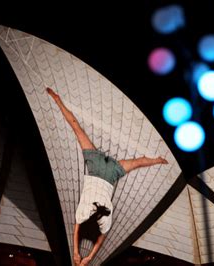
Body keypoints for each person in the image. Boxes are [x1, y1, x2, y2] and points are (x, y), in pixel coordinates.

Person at [46, 88, 168, 266]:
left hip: (111, 174)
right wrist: (77, 253)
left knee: (139, 162)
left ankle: (157, 160)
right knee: (77, 128)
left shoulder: (105, 222)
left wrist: (89, 257)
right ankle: (57, 100)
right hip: (95, 168)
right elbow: (77, 229)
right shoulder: (83, 214)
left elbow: (100, 240)